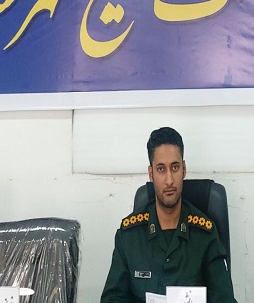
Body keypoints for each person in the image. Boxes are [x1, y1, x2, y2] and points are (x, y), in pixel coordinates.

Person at [101, 127, 236, 303]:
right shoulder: (129, 236)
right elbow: (112, 298)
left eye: (175, 167)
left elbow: (224, 299)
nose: (169, 180)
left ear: (184, 170)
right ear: (151, 174)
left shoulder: (205, 235)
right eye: (161, 169)